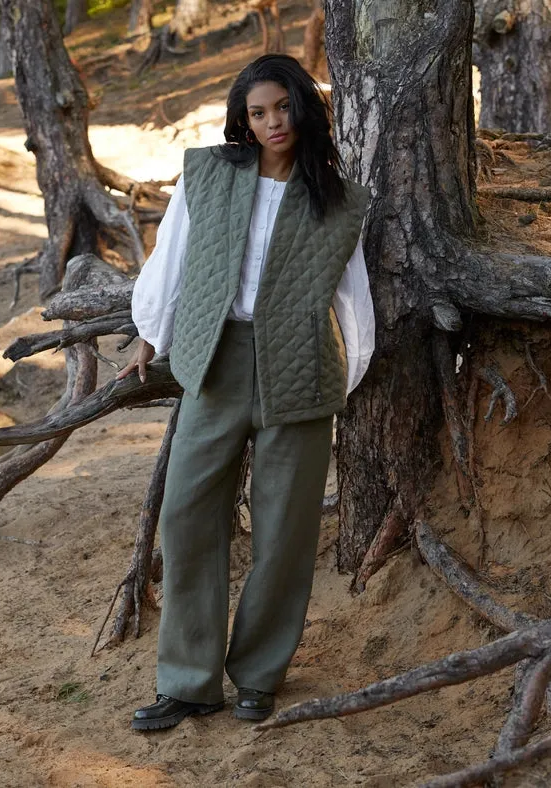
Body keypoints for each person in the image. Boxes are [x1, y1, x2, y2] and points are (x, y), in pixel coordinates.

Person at [118, 54, 375, 731]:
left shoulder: (336, 194)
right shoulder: (208, 174)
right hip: (217, 361)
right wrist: (150, 332)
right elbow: (172, 258)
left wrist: (348, 374)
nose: (271, 123)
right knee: (186, 511)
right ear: (244, 119)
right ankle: (189, 682)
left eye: (281, 108)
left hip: (301, 369)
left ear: (301, 108)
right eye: (257, 113)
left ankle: (259, 675)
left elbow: (352, 297)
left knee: (285, 531)